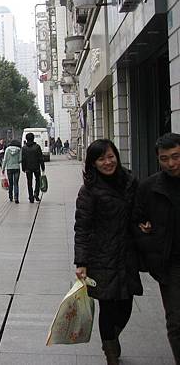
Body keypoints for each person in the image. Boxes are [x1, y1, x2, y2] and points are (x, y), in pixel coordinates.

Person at [74, 139, 142, 364]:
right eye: (101, 159)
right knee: (108, 306)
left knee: (126, 306)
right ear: (93, 163)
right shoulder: (89, 191)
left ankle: (112, 337)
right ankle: (111, 353)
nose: (107, 162)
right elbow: (82, 228)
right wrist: (81, 262)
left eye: (110, 156)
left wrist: (144, 223)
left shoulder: (130, 182)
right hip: (101, 257)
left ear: (117, 157)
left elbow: (139, 211)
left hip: (127, 254)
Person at [133, 133, 180, 363]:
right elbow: (136, 221)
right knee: (176, 321)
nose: (171, 163)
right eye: (164, 158)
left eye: (176, 156)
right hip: (170, 263)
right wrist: (148, 241)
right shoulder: (149, 187)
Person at [22, 132, 45, 203]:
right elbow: (41, 158)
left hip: (28, 168)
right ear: (33, 138)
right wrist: (42, 167)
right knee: (38, 180)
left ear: (26, 139)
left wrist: (23, 168)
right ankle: (36, 194)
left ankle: (31, 197)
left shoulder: (24, 148)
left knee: (29, 182)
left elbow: (23, 159)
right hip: (36, 167)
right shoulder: (37, 147)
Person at [1, 139, 22, 204]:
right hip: (17, 168)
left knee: (10, 183)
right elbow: (20, 160)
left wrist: (3, 169)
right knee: (16, 183)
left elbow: (5, 160)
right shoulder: (19, 150)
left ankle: (10, 196)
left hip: (9, 168)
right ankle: (16, 198)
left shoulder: (7, 149)